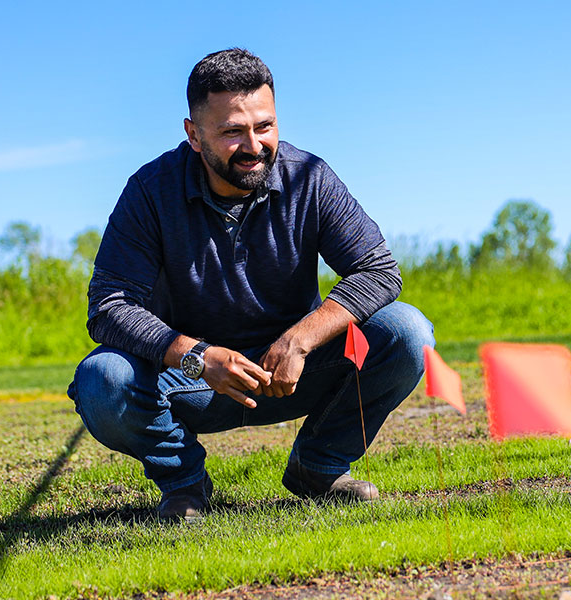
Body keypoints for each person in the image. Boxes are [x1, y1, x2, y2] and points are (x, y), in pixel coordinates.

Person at [67, 48, 434, 520]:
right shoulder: (149, 191)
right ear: (194, 135)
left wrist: (300, 340)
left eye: (265, 126)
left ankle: (318, 467)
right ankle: (184, 485)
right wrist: (196, 356)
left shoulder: (310, 178)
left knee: (407, 331)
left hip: (291, 372)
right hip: (191, 383)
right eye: (232, 132)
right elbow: (110, 305)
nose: (254, 145)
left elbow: (379, 270)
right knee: (103, 381)